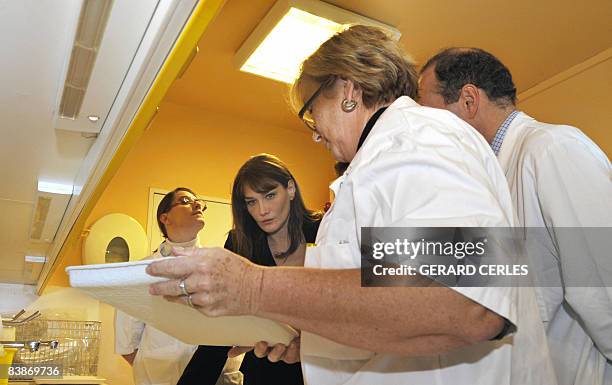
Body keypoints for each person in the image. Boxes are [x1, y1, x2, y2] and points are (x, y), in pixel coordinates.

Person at [145, 25, 555, 385]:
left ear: (347, 91)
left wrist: (255, 287)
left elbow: (465, 303)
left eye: (310, 115)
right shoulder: (382, 161)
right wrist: (321, 340)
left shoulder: (419, 140)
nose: (315, 136)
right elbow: (399, 303)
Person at [418, 48, 612, 385]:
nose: (422, 131)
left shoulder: (552, 148)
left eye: (428, 114)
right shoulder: (487, 181)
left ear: (468, 101)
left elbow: (602, 286)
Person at [185, 154, 322, 385]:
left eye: (270, 196)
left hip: (323, 369)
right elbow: (221, 327)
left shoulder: (325, 230)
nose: (262, 210)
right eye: (251, 202)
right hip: (265, 371)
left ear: (290, 189)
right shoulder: (240, 244)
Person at [115, 187, 243, 385]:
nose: (197, 204)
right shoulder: (140, 272)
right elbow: (127, 345)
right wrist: (158, 373)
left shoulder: (220, 266)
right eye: (185, 201)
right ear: (164, 218)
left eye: (199, 202)